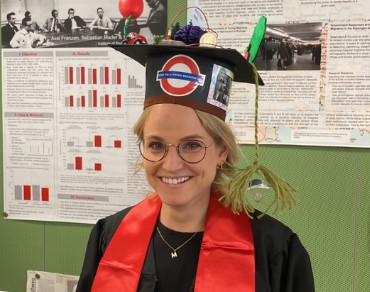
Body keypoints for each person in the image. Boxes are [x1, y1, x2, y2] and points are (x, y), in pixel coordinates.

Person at [75, 24, 315, 292]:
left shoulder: (274, 251)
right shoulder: (110, 236)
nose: (171, 164)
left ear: (222, 150)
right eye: (156, 145)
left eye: (191, 145)